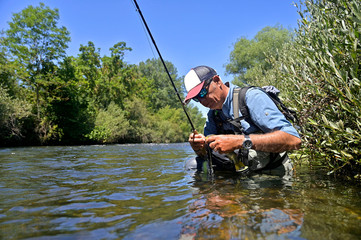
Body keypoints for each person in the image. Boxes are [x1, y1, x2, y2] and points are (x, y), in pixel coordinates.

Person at [184, 65, 301, 174]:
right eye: (196, 99)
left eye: (203, 92)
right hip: (241, 173)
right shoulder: (213, 114)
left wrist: (240, 141)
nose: (202, 101)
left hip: (273, 173)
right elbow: (207, 155)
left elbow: (293, 140)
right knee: (193, 165)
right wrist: (199, 148)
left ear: (216, 80)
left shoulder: (251, 97)